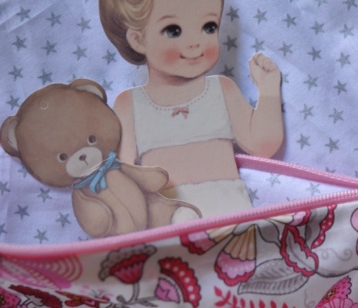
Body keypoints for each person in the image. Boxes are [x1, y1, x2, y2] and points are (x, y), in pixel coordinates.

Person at [99, 0, 284, 218]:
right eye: (173, 31)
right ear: (138, 40)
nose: (196, 42)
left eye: (209, 27)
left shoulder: (222, 90)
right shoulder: (130, 104)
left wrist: (269, 89)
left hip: (231, 214)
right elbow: (123, 178)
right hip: (168, 220)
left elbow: (263, 144)